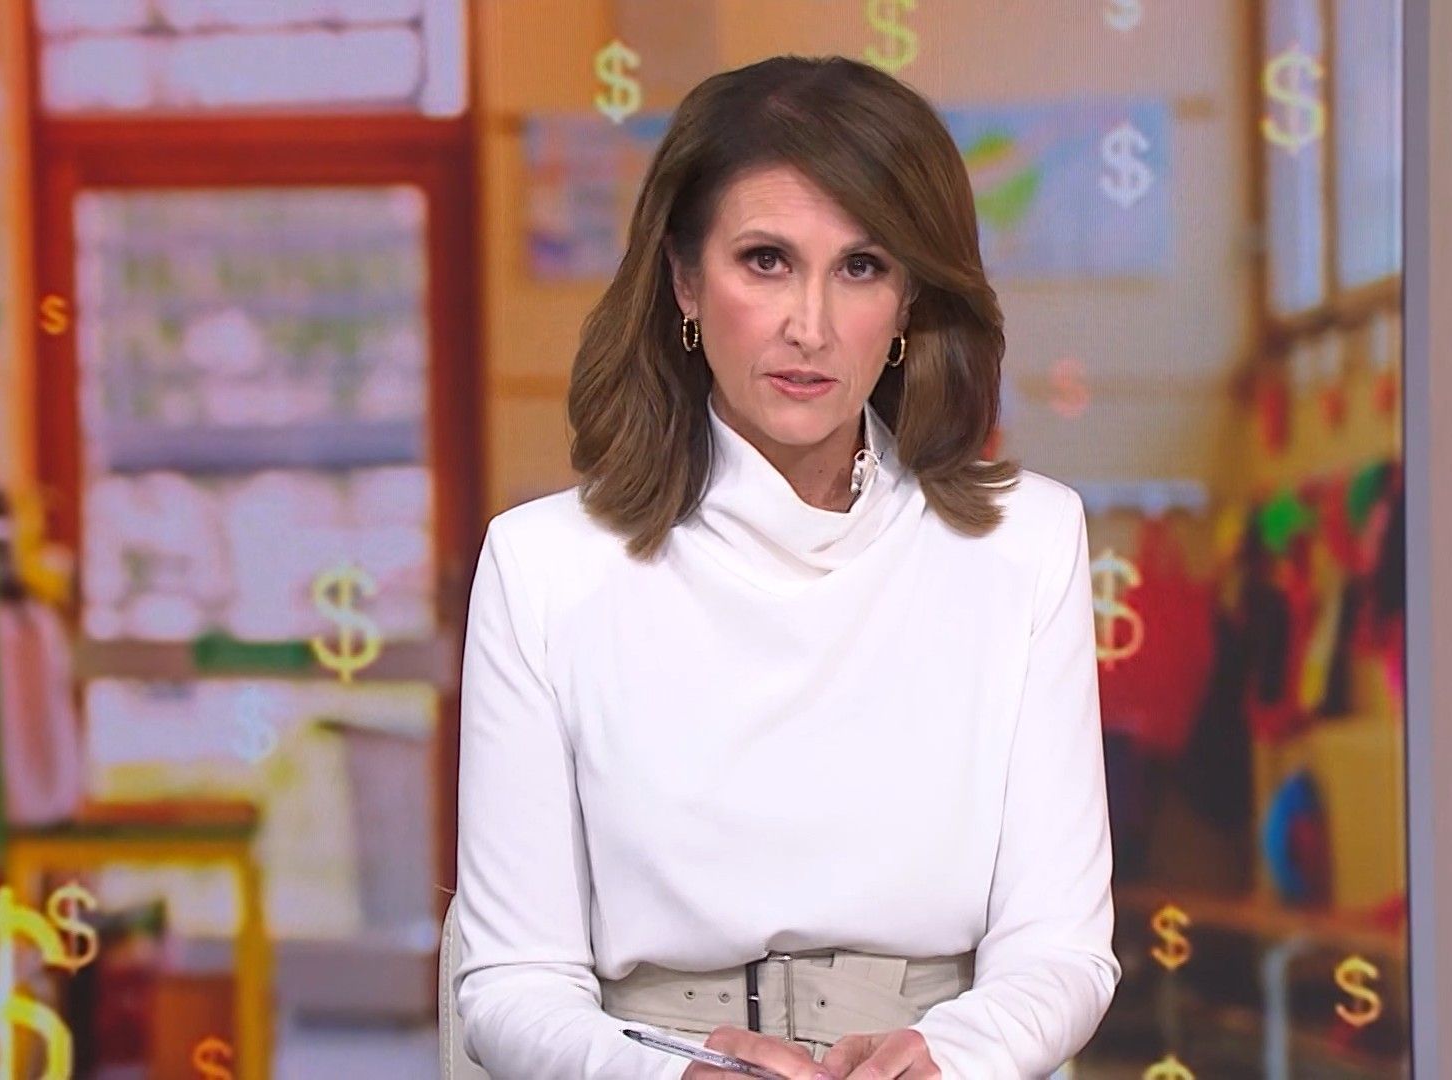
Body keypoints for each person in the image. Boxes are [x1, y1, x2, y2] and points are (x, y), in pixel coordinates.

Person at [453, 54, 1121, 1079]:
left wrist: (948, 1057)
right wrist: (671, 1074)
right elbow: (511, 983)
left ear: (908, 300)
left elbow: (1062, 948)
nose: (809, 326)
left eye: (861, 267)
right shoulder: (544, 566)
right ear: (684, 279)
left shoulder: (1026, 542)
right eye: (765, 261)